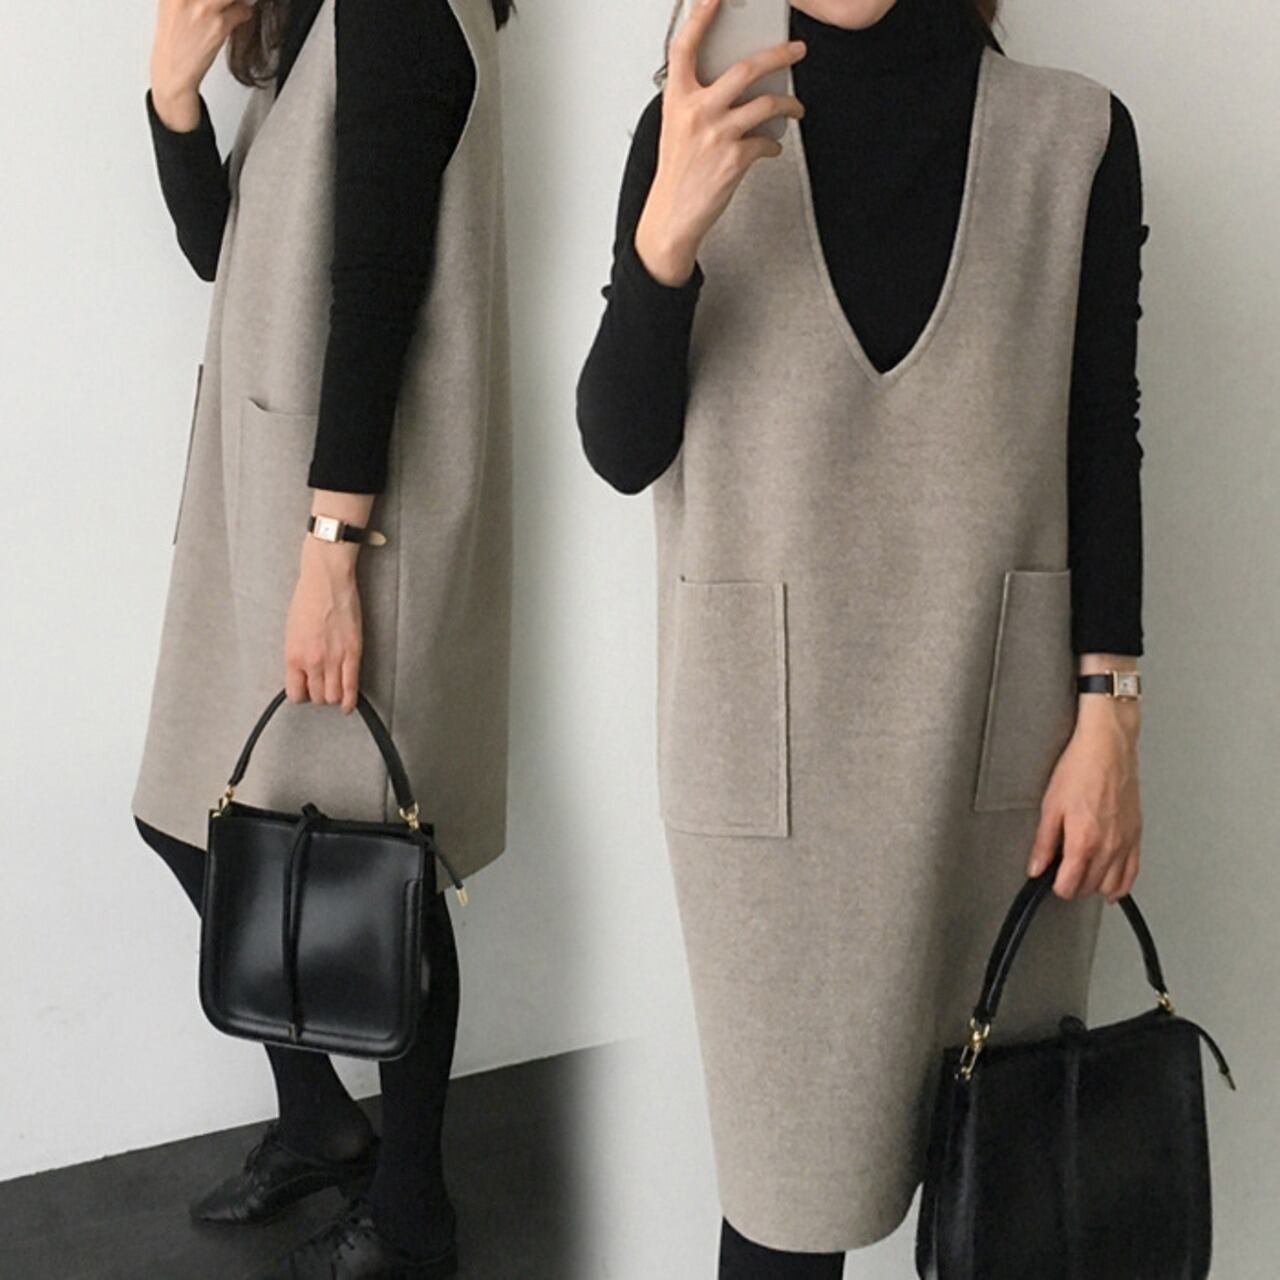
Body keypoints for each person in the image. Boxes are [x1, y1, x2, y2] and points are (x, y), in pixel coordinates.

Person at [576, 0, 1147, 1273]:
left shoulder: (1073, 140)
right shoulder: (690, 127)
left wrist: (1109, 713)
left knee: (1008, 1207)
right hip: (764, 780)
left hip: (1004, 757)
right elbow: (621, 449)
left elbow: (1098, 436)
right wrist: (666, 237)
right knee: (784, 1216)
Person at [134, 0, 513, 1275]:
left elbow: (377, 299)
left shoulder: (400, 15)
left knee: (379, 860)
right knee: (190, 815)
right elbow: (228, 249)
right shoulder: (320, 20)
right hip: (268, 497)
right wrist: (174, 100)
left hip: (344, 514)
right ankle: (318, 1121)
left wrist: (333, 556)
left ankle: (412, 1211)